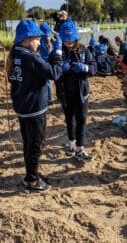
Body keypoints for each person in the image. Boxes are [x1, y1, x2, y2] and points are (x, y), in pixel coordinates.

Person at [7, 20, 63, 191]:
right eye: (37, 39)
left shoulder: (15, 53)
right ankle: (32, 181)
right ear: (26, 39)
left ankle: (32, 174)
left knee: (28, 142)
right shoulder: (30, 57)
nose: (39, 42)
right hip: (33, 109)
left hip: (22, 106)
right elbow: (54, 73)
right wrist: (57, 53)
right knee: (35, 145)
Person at [57, 20, 97, 160]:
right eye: (65, 40)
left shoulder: (84, 50)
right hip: (65, 93)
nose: (68, 43)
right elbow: (50, 69)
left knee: (82, 119)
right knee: (70, 119)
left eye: (71, 40)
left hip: (82, 93)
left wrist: (84, 67)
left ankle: (80, 148)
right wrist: (60, 68)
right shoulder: (58, 51)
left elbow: (94, 68)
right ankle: (71, 143)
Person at [39, 22, 54, 104]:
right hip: (50, 63)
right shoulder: (51, 41)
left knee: (45, 82)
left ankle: (48, 99)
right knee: (49, 82)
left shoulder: (39, 41)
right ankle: (50, 98)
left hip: (42, 62)